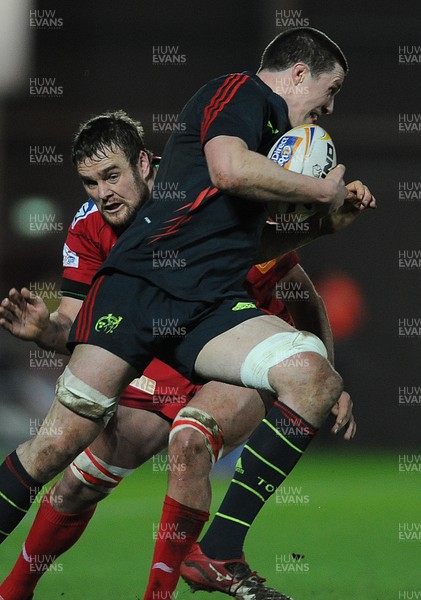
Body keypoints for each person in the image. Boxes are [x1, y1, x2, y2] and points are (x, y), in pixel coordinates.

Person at [0, 26, 374, 599]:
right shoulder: (238, 94)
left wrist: (324, 223)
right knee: (54, 449)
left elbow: (250, 251)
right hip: (141, 287)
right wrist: (317, 190)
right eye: (331, 89)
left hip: (205, 303)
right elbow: (226, 167)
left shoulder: (272, 140)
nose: (330, 107)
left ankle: (218, 551)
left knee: (314, 375)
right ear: (299, 73)